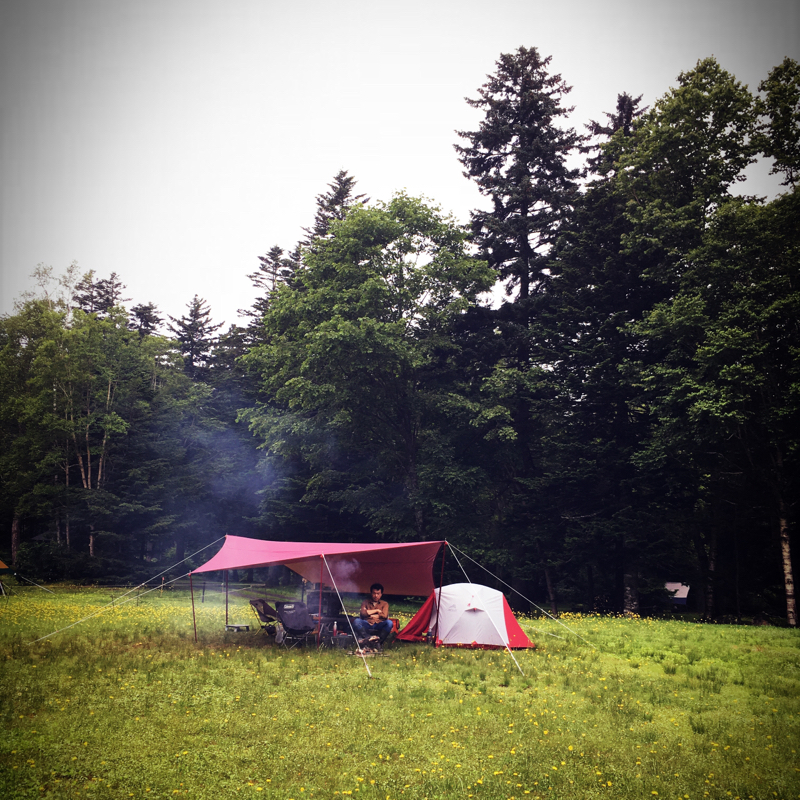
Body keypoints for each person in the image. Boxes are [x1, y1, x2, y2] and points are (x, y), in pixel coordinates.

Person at [353, 582, 395, 649]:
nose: (376, 596)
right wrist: (377, 611)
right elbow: (363, 614)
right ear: (371, 593)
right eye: (374, 593)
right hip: (367, 623)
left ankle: (378, 642)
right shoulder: (365, 602)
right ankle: (368, 638)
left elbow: (384, 616)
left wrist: (369, 613)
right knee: (356, 621)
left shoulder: (385, 604)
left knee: (389, 623)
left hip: (379, 624)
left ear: (381, 594)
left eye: (378, 594)